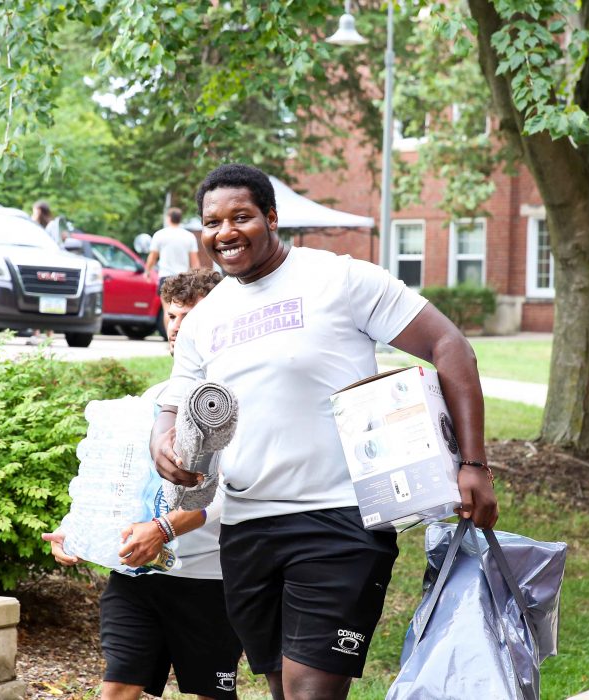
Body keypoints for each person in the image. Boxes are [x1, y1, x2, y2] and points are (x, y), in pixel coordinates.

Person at [151, 164, 498, 700]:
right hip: (247, 528)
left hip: (341, 518)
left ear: (271, 217)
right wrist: (163, 442)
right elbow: (173, 405)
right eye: (212, 222)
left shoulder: (339, 278)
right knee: (281, 688)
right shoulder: (204, 318)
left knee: (310, 690)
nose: (225, 232)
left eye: (241, 217)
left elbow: (449, 346)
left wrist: (472, 464)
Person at [44, 268, 242, 700]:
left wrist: (165, 529)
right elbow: (121, 475)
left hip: (209, 577)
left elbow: (238, 490)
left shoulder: (235, 397)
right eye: (172, 315)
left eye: (192, 315)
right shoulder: (154, 397)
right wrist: (75, 528)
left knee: (211, 694)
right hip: (137, 573)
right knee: (118, 686)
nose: (178, 327)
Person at [144, 208, 201, 286]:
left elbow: (152, 257)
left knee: (165, 298)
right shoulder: (189, 236)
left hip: (165, 277)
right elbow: (194, 262)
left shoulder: (159, 234)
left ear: (169, 218)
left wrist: (147, 272)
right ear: (180, 219)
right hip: (183, 278)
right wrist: (197, 279)